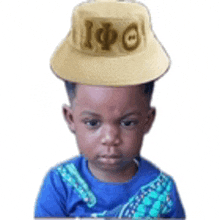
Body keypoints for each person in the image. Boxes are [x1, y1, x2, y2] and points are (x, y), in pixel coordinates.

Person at [35, 0, 186, 218]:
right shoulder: (60, 185)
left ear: (148, 119)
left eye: (128, 122)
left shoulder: (163, 192)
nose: (110, 138)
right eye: (92, 123)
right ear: (70, 118)